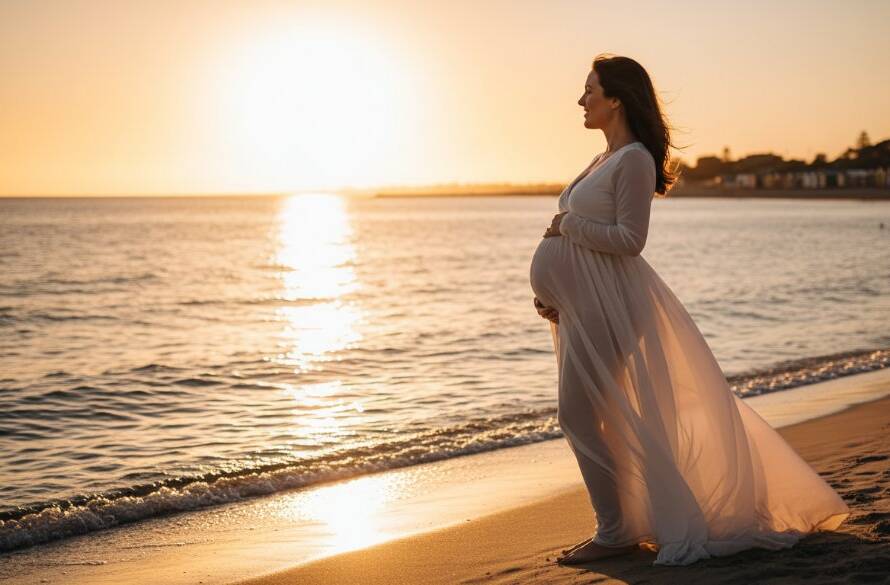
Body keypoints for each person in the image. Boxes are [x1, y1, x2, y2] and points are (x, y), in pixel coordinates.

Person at [528, 54, 850, 567]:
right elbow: (584, 243)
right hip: (585, 308)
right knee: (597, 416)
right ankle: (627, 523)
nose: (581, 99)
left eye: (589, 90)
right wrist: (554, 295)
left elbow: (630, 241)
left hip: (613, 307)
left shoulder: (633, 158)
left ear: (616, 98)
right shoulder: (601, 159)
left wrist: (567, 229)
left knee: (579, 416)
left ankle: (615, 533)